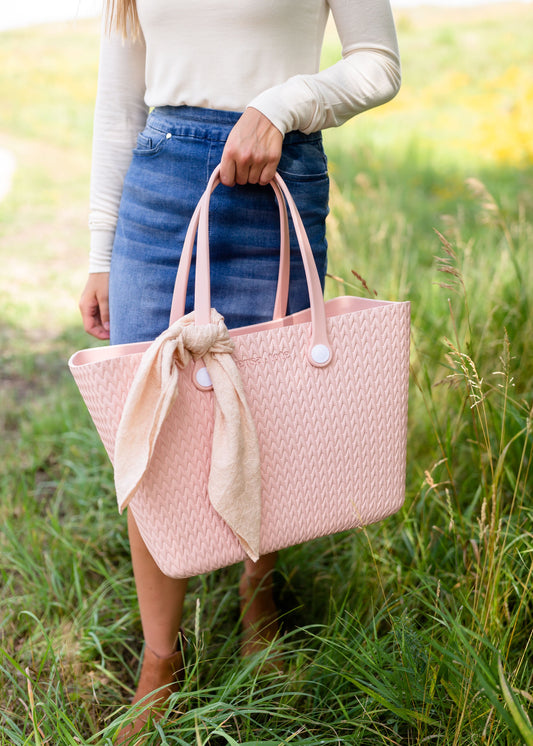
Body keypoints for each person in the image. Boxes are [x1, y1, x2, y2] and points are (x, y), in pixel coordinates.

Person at [78, 0, 401, 740]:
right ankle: (161, 657)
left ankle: (260, 593)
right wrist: (101, 252)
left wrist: (280, 105)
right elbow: (117, 99)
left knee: (271, 410)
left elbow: (377, 64)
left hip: (276, 181)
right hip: (157, 192)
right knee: (150, 421)